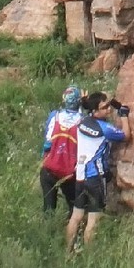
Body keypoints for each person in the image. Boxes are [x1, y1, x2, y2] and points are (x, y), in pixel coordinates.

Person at [65, 92, 131, 252]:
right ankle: (89, 256)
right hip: (95, 178)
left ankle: (68, 253)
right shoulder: (105, 129)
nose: (108, 109)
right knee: (93, 219)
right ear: (95, 111)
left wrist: (88, 101)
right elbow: (126, 136)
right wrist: (124, 116)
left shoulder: (82, 121)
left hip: (80, 177)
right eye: (104, 107)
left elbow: (87, 107)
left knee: (76, 216)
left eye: (108, 105)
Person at [40, 84, 82, 214]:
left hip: (49, 167)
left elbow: (47, 143)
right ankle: (73, 231)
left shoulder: (54, 116)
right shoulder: (83, 120)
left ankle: (49, 231)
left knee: (48, 208)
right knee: (74, 208)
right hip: (69, 173)